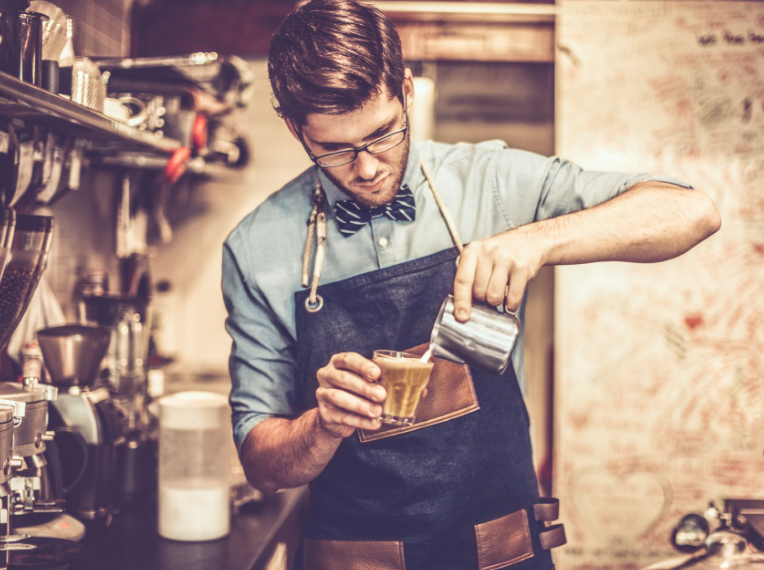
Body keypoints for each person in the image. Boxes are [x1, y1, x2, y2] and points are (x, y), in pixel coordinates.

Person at [221, 0, 721, 567]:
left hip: (504, 551)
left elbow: (691, 212)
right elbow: (261, 466)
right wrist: (320, 427)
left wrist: (539, 240)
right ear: (293, 127)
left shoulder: (492, 181)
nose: (366, 168)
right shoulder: (256, 250)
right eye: (335, 147)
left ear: (406, 91)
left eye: (383, 134)